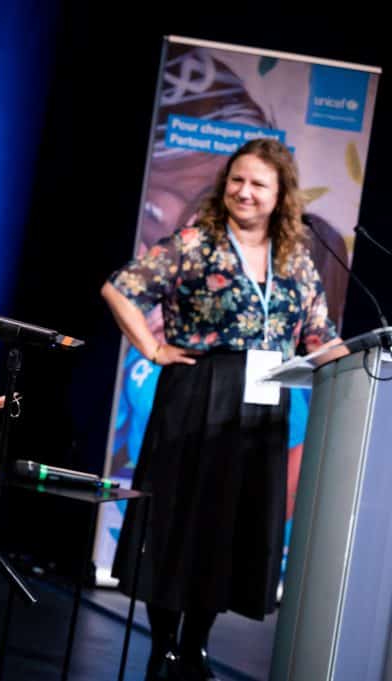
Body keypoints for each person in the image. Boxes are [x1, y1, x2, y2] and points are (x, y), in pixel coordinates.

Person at [102, 139, 344, 681]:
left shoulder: (296, 259)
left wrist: (363, 367)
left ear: (281, 194)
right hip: (196, 393)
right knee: (179, 521)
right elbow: (120, 289)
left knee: (227, 525)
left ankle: (195, 644)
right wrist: (153, 348)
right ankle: (162, 642)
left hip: (262, 407)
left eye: (259, 183)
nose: (245, 192)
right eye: (237, 180)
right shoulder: (195, 242)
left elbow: (319, 336)